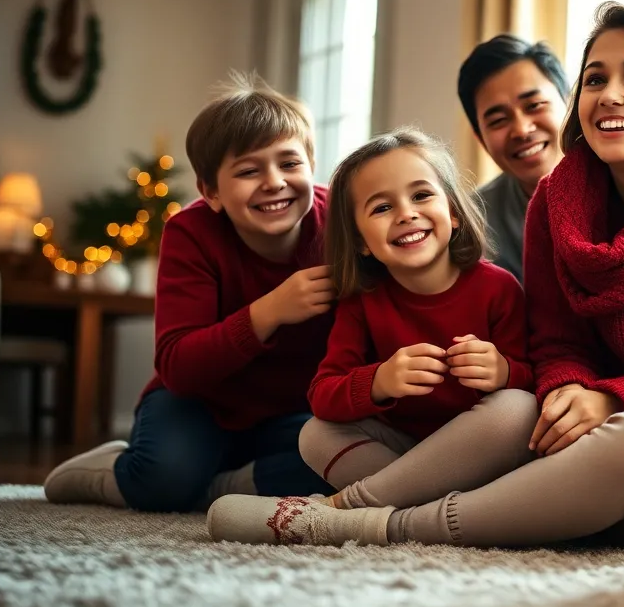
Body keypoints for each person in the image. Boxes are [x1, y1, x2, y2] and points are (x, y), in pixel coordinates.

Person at [206, 3, 624, 549]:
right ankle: (523, 506)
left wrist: (610, 396)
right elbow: (557, 347)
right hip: (597, 442)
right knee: (518, 416)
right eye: (596, 78)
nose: (610, 94)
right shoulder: (557, 199)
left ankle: (363, 520)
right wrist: (570, 392)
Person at [206, 128, 538, 546]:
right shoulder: (363, 302)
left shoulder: (499, 288)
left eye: (421, 196)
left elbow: (534, 382)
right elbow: (323, 393)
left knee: (516, 408)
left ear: (453, 212)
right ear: (362, 241)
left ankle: (342, 509)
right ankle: (436, 513)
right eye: (382, 207)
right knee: (315, 434)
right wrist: (379, 381)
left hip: (482, 457)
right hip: (399, 453)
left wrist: (504, 371)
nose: (405, 213)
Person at [44, 73, 335, 511]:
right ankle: (114, 471)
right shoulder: (191, 232)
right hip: (200, 403)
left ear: (311, 166)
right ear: (211, 191)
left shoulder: (340, 225)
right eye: (249, 170)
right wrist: (268, 311)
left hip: (295, 412)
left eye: (290, 163)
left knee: (354, 462)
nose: (274, 181)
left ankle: (221, 487)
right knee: (164, 478)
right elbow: (178, 366)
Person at [456, 34, 569, 281]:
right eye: (498, 121)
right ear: (480, 139)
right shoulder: (473, 224)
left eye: (534, 105)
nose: (521, 130)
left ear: (569, 103)